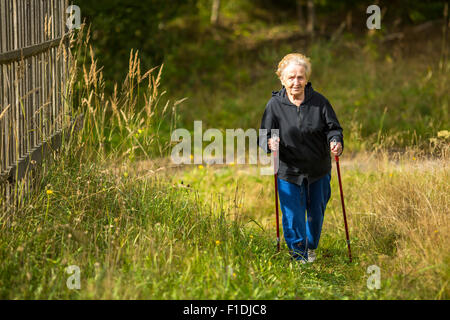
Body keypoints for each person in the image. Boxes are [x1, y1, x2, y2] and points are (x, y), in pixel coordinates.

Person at [259, 53, 343, 263]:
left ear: (306, 78)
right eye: (291, 77)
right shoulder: (274, 105)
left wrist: (336, 141)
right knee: (292, 215)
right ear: (282, 79)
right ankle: (299, 256)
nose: (296, 82)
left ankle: (311, 246)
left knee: (316, 213)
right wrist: (270, 143)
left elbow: (333, 128)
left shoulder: (320, 102)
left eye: (300, 77)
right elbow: (263, 136)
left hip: (318, 170)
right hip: (288, 170)